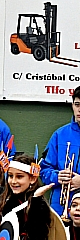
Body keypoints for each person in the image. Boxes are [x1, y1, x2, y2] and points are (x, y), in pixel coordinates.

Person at [40, 86, 80, 215]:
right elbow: (44, 170)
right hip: (60, 209)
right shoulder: (60, 135)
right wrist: (57, 177)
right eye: (77, 104)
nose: (79, 110)